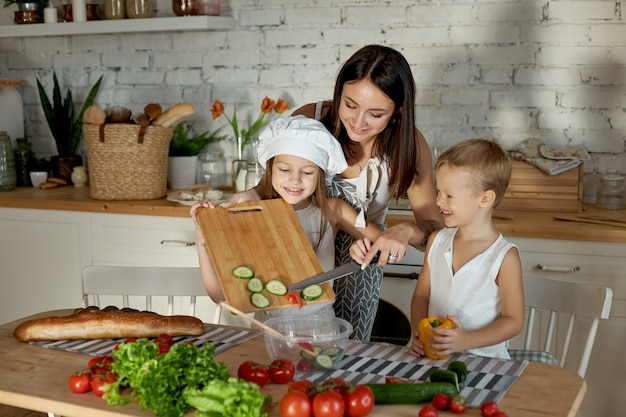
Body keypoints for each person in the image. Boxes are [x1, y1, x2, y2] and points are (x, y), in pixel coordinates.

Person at [222, 45, 442, 341]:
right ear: (339, 92)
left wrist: (406, 232)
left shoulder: (409, 147)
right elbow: (271, 182)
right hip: (298, 255)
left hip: (361, 261)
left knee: (345, 353)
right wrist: (252, 194)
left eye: (375, 114)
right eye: (350, 105)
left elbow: (437, 232)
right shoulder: (309, 120)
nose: (358, 122)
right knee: (281, 346)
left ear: (398, 109)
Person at [190, 115, 382, 321]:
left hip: (321, 329)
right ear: (270, 169)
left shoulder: (332, 210)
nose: (294, 180)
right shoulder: (251, 216)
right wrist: (203, 242)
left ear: (320, 175)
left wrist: (365, 247)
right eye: (284, 169)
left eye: (307, 172)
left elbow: (387, 245)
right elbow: (219, 295)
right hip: (266, 331)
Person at [408, 139, 524, 359]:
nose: (438, 201)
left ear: (485, 198)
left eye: (449, 195)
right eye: (438, 191)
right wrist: (418, 334)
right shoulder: (436, 240)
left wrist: (465, 341)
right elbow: (422, 296)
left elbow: (514, 321)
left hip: (485, 365)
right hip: (435, 358)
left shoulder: (504, 257)